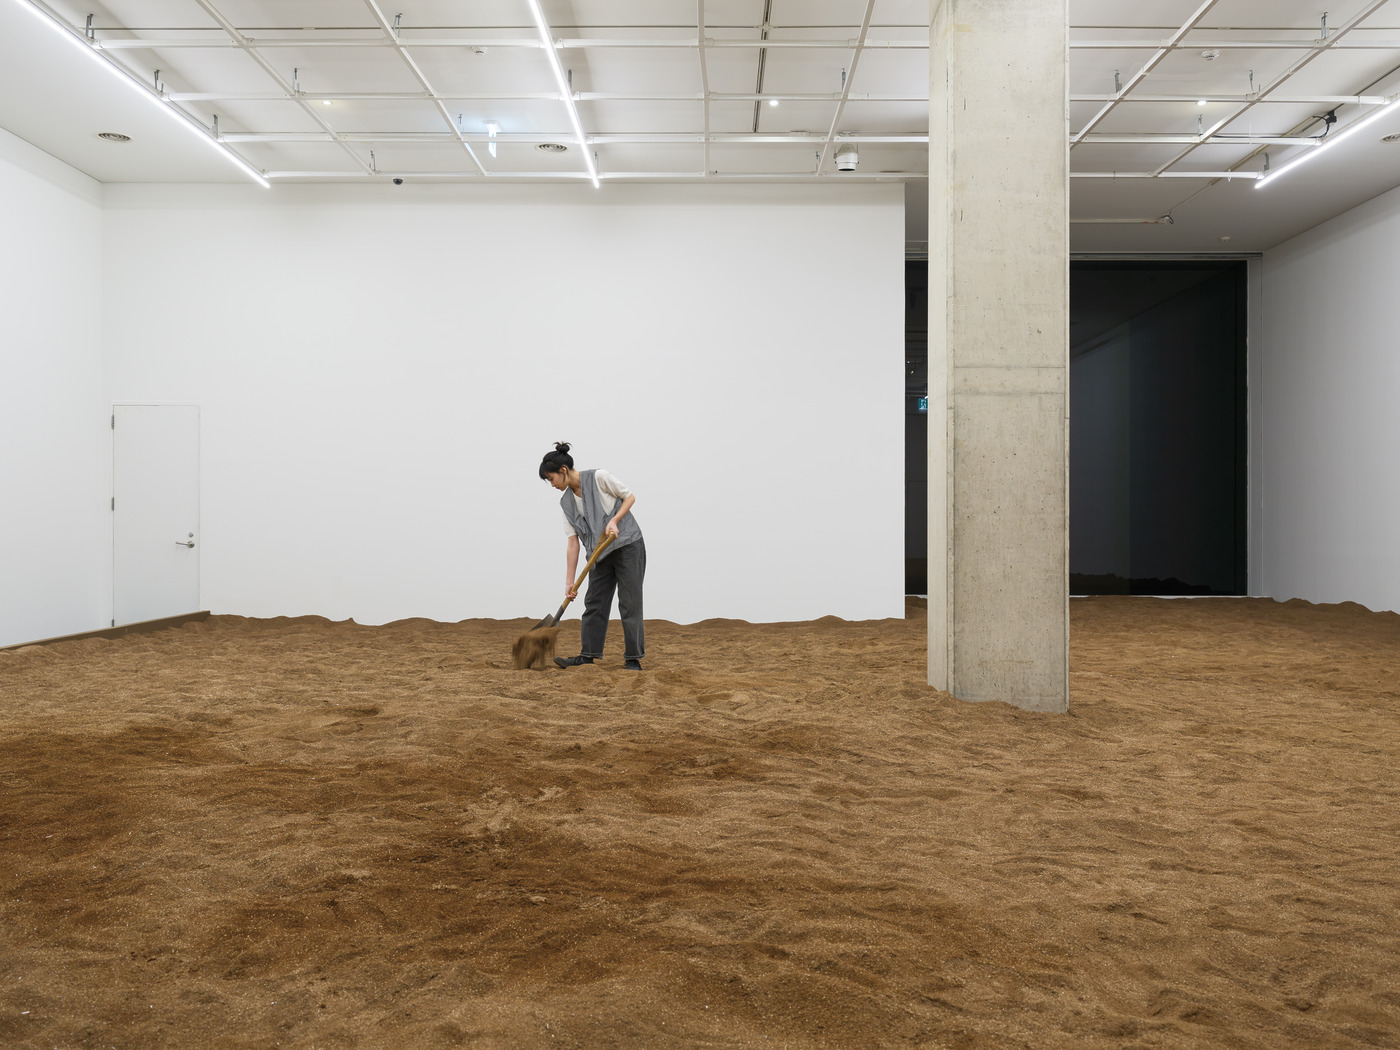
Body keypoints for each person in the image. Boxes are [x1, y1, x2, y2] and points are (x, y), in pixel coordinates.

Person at [538, 442, 646, 670]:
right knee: (594, 603)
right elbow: (572, 543)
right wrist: (569, 582)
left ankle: (633, 658)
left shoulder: (599, 477)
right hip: (599, 554)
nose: (552, 484)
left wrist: (614, 520)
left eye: (551, 479)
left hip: (627, 545)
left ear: (563, 471)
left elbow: (629, 496)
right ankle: (587, 655)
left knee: (629, 603)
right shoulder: (566, 503)